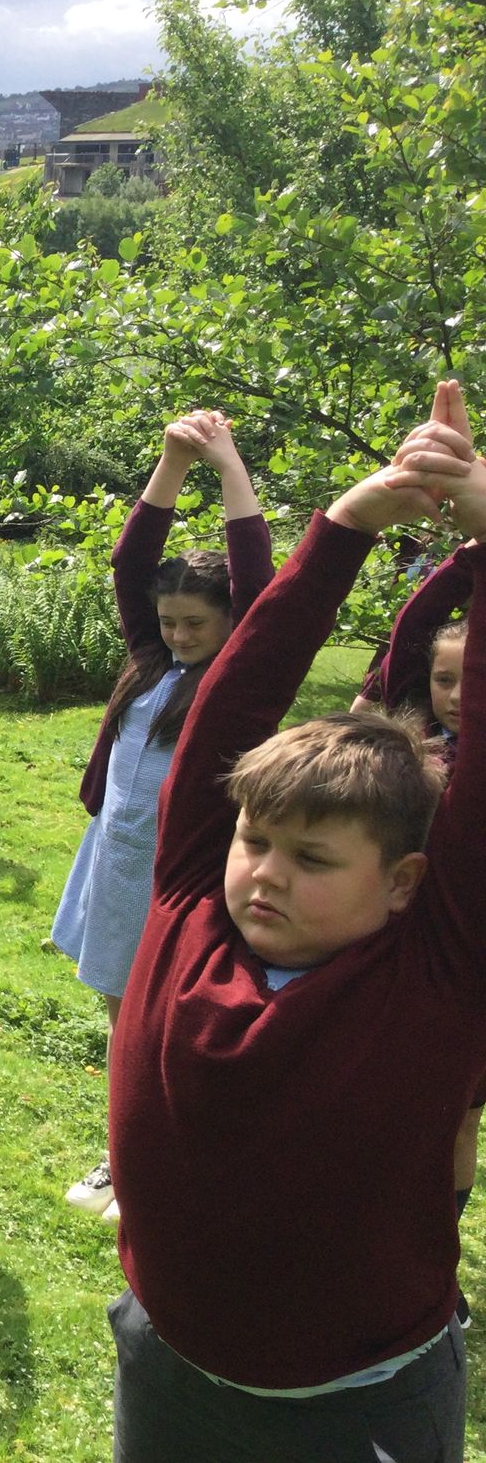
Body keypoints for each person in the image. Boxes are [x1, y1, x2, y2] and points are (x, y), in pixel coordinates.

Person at [107, 381, 486, 1460]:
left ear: (405, 883)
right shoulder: (190, 905)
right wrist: (343, 528)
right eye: (256, 843)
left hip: (358, 1406)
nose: (262, 875)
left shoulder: (434, 977)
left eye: (312, 859)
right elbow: (235, 696)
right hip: (166, 1371)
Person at [53, 410, 271, 1220]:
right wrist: (171, 462)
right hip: (116, 860)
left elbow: (259, 585)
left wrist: (226, 466)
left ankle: (167, 1158)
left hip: (188, 882)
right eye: (170, 621)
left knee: (178, 1022)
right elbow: (132, 561)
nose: (178, 635)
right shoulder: (151, 659)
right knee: (123, 1015)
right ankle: (124, 1156)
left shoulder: (236, 685)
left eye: (195, 625)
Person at [376, 544, 478, 1324]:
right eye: (445, 679)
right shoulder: (414, 747)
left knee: (459, 1114)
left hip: (466, 963)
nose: (451, 694)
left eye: (468, 682)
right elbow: (411, 638)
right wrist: (465, 560)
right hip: (395, 949)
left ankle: (438, 1266)